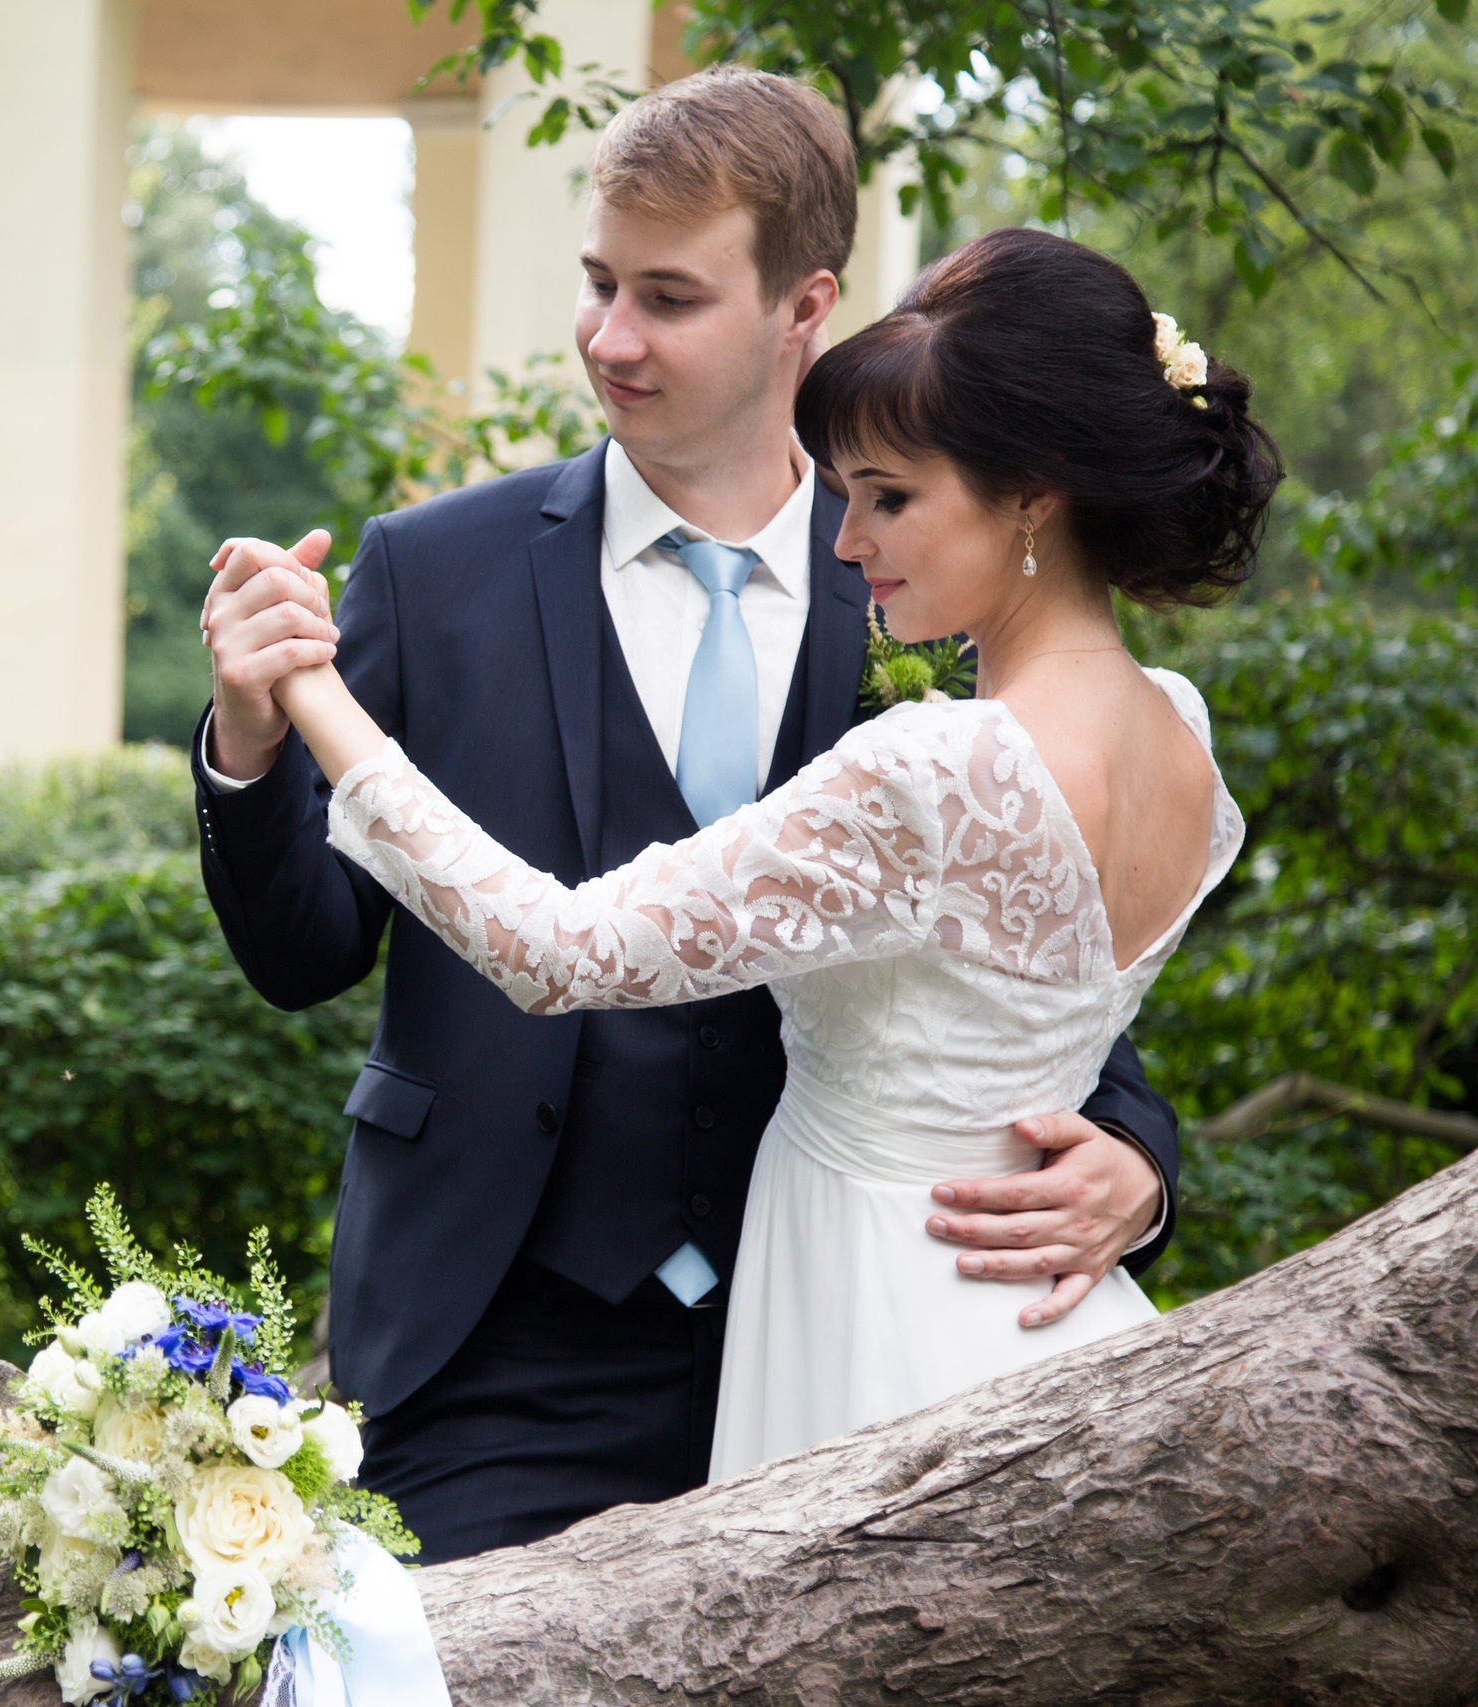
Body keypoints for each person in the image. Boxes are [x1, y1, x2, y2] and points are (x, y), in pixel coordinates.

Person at [194, 69, 1212, 1561]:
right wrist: (252, 725)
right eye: (599, 284)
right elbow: (301, 952)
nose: (611, 338)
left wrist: (1135, 1153)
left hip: (841, 1332)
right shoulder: (436, 572)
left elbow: (1035, 952)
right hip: (499, 1355)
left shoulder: (930, 569)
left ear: (805, 305)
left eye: (668, 297)